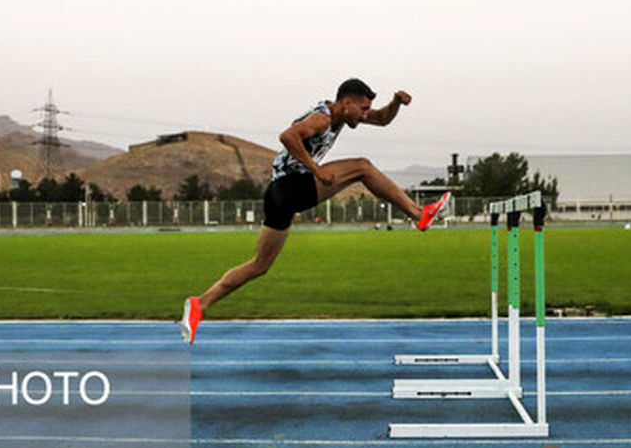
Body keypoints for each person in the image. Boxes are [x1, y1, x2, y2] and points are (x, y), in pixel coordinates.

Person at [180, 78, 450, 344]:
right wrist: (316, 169)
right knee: (363, 167)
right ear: (347, 103)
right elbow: (288, 136)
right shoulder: (322, 119)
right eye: (363, 109)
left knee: (259, 265)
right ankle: (419, 214)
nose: (366, 114)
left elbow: (381, 119)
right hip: (290, 185)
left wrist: (395, 104)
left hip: (278, 196)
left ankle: (199, 304)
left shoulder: (343, 116)